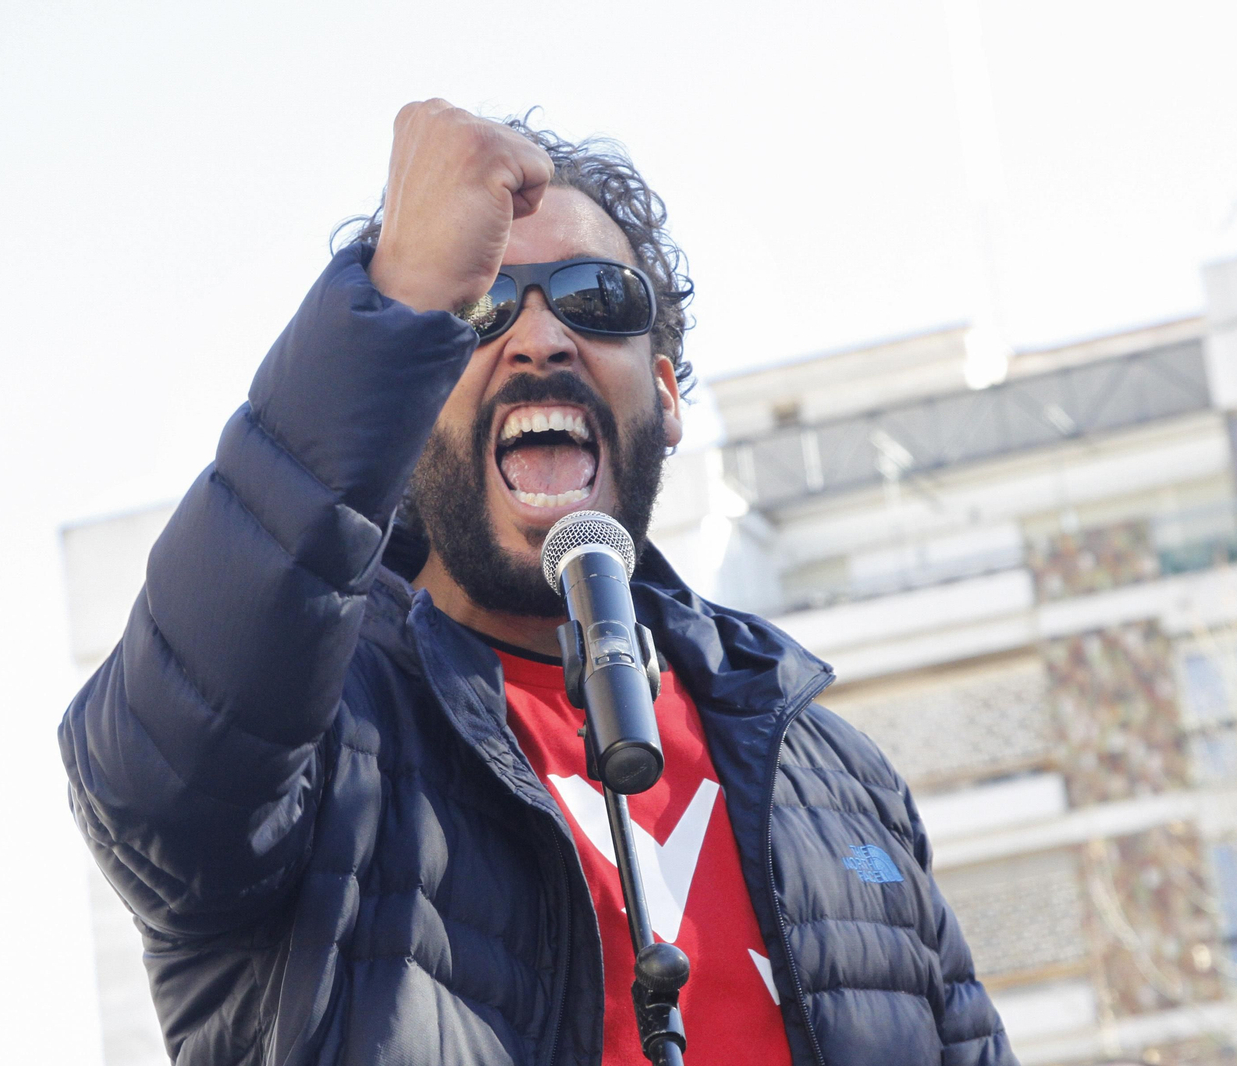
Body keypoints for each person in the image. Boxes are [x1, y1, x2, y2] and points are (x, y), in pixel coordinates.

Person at [60, 99, 1018, 1066]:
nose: (540, 340)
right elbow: (154, 774)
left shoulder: (834, 774)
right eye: (478, 309)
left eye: (595, 299)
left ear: (669, 395)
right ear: (407, 398)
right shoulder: (321, 730)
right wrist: (392, 302)